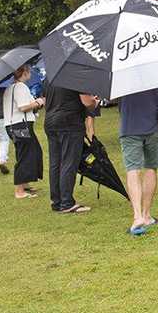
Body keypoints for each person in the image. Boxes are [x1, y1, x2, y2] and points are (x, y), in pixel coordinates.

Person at [118, 84, 158, 236]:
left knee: (133, 169)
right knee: (151, 167)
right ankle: (146, 215)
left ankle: (137, 216)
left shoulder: (121, 70)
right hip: (154, 123)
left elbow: (112, 97)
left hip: (129, 124)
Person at [43, 81, 100, 214]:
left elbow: (45, 100)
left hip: (51, 121)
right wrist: (95, 102)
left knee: (55, 163)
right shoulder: (76, 76)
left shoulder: (50, 77)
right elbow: (87, 101)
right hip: (69, 123)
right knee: (69, 162)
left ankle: (57, 201)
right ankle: (67, 202)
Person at [2, 65, 44, 199]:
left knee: (33, 152)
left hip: (14, 125)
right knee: (25, 156)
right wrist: (38, 102)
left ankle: (25, 184)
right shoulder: (20, 87)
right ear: (24, 73)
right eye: (29, 71)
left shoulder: (10, 88)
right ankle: (19, 191)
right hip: (20, 125)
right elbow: (23, 107)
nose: (30, 73)